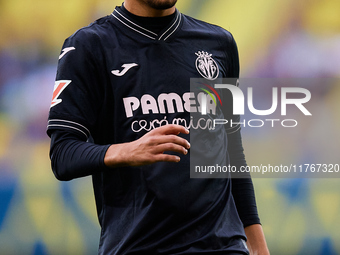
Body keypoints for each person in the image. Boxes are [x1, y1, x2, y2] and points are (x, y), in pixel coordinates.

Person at [47, 0, 270, 254]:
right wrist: (127, 151)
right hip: (139, 245)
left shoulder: (218, 44)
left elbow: (231, 153)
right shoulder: (90, 46)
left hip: (222, 245)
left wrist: (258, 246)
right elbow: (63, 154)